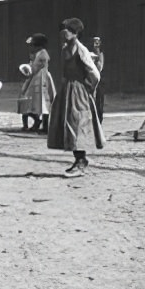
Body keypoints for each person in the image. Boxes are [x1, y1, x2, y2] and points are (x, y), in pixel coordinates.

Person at [47, 18, 103, 177]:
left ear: (76, 33)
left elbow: (94, 73)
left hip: (79, 91)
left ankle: (81, 162)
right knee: (67, 125)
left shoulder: (81, 49)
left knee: (77, 124)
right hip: (67, 90)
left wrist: (90, 88)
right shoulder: (65, 49)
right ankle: (79, 159)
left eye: (69, 30)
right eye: (64, 29)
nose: (65, 32)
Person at [18, 33, 55, 133]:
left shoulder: (42, 54)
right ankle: (40, 124)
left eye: (34, 45)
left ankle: (44, 126)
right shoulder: (39, 54)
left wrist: (27, 72)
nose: (32, 47)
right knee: (38, 102)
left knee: (43, 102)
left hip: (41, 78)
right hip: (38, 77)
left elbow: (35, 68)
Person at [90, 36, 106, 121]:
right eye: (94, 42)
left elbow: (100, 67)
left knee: (99, 100)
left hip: (99, 79)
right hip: (90, 79)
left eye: (98, 42)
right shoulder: (89, 54)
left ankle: (98, 118)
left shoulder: (100, 54)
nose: (96, 44)